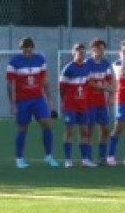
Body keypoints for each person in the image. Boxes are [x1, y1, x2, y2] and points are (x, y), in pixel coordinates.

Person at [6, 37, 58, 168]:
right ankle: (19, 158)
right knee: (22, 128)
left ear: (33, 48)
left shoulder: (40, 60)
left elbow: (45, 81)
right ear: (21, 49)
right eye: (24, 48)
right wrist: (12, 104)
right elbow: (10, 84)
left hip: (38, 99)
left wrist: (50, 99)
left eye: (29, 48)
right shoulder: (13, 62)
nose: (27, 50)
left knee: (46, 123)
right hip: (22, 101)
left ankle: (49, 156)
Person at [58, 43, 96, 168]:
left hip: (83, 105)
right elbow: (62, 88)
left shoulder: (87, 67)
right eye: (79, 52)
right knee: (69, 132)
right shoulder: (68, 68)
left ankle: (85, 159)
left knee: (84, 131)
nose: (81, 54)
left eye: (83, 52)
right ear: (74, 53)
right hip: (71, 105)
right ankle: (68, 160)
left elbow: (88, 83)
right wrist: (64, 102)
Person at [85, 39, 114, 164]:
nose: (101, 51)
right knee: (90, 129)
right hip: (89, 101)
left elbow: (109, 80)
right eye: (98, 49)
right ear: (93, 49)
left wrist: (111, 94)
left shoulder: (106, 64)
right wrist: (104, 87)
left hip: (101, 102)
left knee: (106, 129)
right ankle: (88, 157)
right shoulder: (87, 63)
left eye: (103, 49)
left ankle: (102, 157)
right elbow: (88, 82)